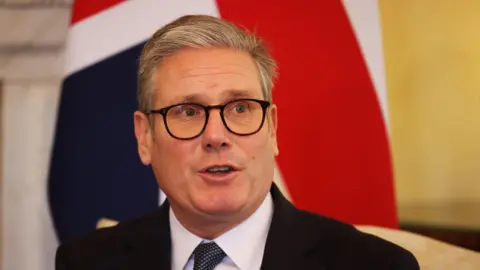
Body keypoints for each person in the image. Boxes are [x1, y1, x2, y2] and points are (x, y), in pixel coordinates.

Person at [55, 14, 419, 270]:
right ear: (144, 137)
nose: (216, 136)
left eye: (241, 108)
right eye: (187, 111)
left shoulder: (377, 265)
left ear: (272, 128)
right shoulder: (85, 261)